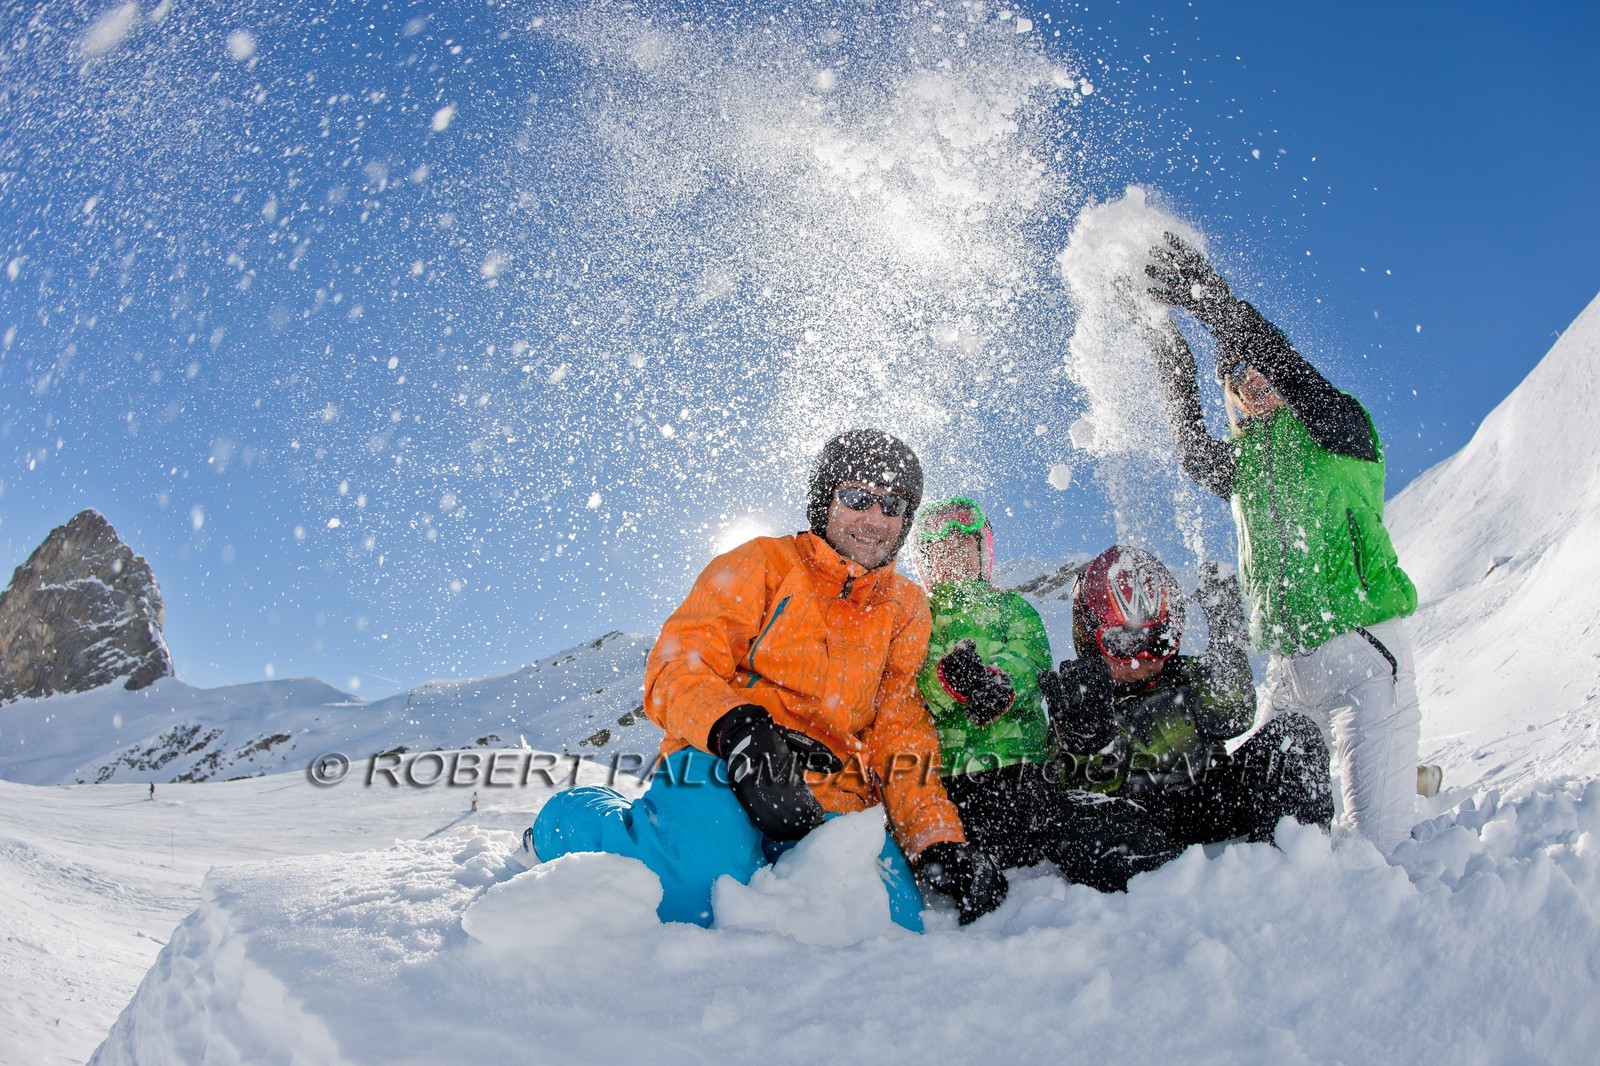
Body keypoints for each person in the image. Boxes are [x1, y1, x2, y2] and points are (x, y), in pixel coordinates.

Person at [528, 430, 1006, 929]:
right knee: (690, 892)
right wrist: (740, 733)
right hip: (725, 764)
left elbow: (900, 731)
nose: (873, 518)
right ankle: (571, 818)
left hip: (831, 794)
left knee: (891, 922)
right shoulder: (762, 563)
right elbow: (679, 665)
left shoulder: (904, 608)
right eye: (856, 497)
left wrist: (936, 840)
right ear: (824, 500)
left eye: (892, 505)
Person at [1143, 232, 1422, 854]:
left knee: (1373, 854)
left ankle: (1401, 775)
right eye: (1235, 374)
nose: (1253, 378)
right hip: (1288, 673)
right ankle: (1402, 776)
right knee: (1251, 841)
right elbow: (1190, 450)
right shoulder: (1244, 464)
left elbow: (1290, 369)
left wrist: (1213, 302)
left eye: (1258, 364)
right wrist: (1165, 347)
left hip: (1361, 659)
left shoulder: (1338, 426)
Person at [913, 497, 1182, 892]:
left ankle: (1155, 870)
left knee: (1063, 822)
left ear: (983, 552)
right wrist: (947, 682)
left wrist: (1000, 682)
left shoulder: (1012, 609)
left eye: (963, 547)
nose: (953, 557)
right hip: (947, 777)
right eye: (941, 550)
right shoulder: (916, 615)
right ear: (924, 561)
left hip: (1021, 769)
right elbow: (908, 678)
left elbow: (1031, 658)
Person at [1040, 545, 1333, 849]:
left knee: (1295, 737)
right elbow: (1071, 787)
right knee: (1063, 819)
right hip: (1135, 822)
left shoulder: (1185, 675)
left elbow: (1232, 716)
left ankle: (1292, 859)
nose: (1143, 661)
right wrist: (1089, 743)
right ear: (1089, 636)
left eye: (1160, 640)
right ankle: (1168, 873)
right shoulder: (1079, 698)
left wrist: (1227, 638)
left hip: (1207, 800)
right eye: (1123, 643)